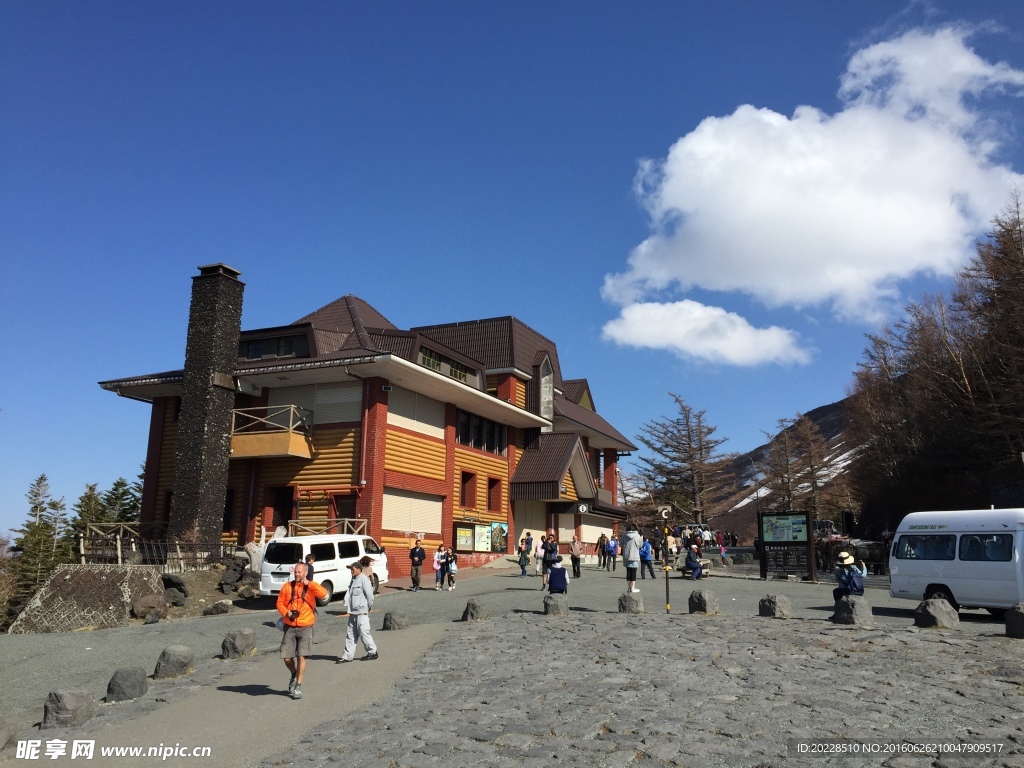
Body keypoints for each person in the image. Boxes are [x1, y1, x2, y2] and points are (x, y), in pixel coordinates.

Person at [277, 561, 327, 700]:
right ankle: (294, 673)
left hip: (306, 625)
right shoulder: (287, 587)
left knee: (301, 656)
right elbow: (279, 603)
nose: (297, 574)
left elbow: (323, 593)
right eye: (296, 572)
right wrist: (286, 613)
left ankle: (298, 686)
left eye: (300, 572)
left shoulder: (311, 587)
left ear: (305, 572)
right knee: (287, 657)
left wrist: (309, 583)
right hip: (290, 625)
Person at [336, 561, 378, 663]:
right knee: (350, 634)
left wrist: (368, 607)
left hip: (361, 611)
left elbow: (369, 595)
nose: (351, 571)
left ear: (359, 569)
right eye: (350, 569)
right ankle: (347, 656)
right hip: (353, 612)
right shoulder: (354, 580)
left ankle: (372, 652)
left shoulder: (364, 579)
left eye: (352, 569)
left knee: (364, 632)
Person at [621, 523, 642, 593]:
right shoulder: (637, 535)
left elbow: (621, 544)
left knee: (628, 572)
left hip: (626, 556)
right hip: (634, 556)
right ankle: (633, 587)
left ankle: (629, 587)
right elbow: (640, 545)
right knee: (633, 572)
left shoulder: (624, 535)